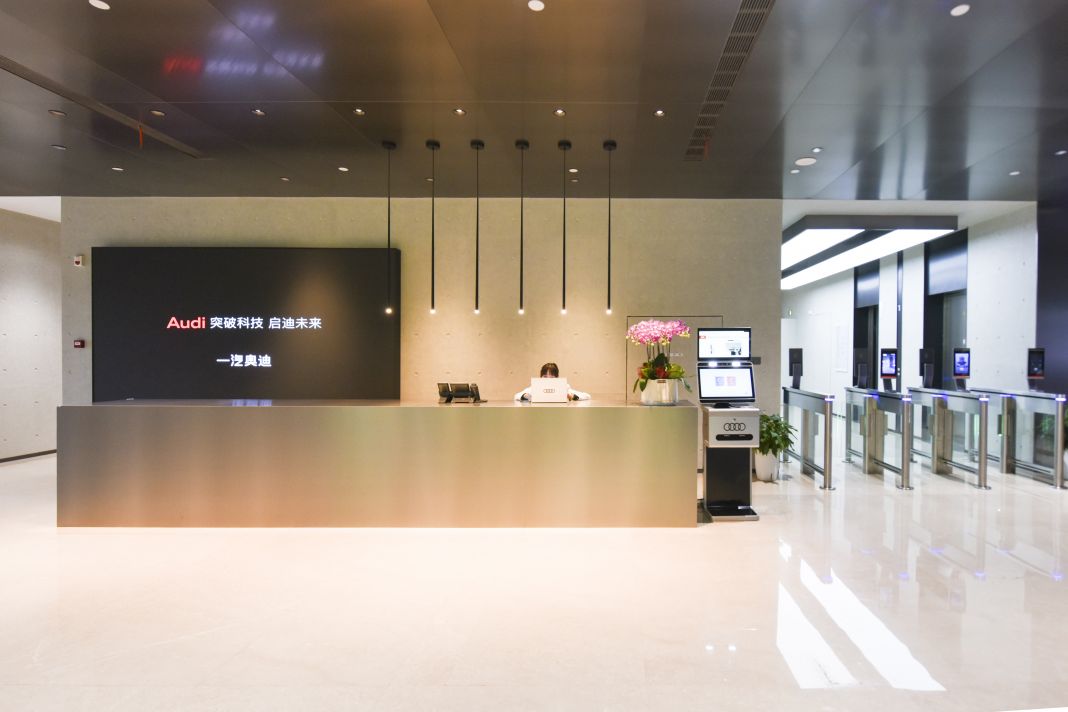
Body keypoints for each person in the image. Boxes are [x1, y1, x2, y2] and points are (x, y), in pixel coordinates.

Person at [514, 362, 590, 401]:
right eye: (545, 376)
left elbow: (587, 396)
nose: (548, 380)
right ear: (541, 377)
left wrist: (572, 396)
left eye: (552, 377)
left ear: (557, 378)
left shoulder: (564, 388)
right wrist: (526, 396)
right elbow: (516, 396)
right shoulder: (535, 388)